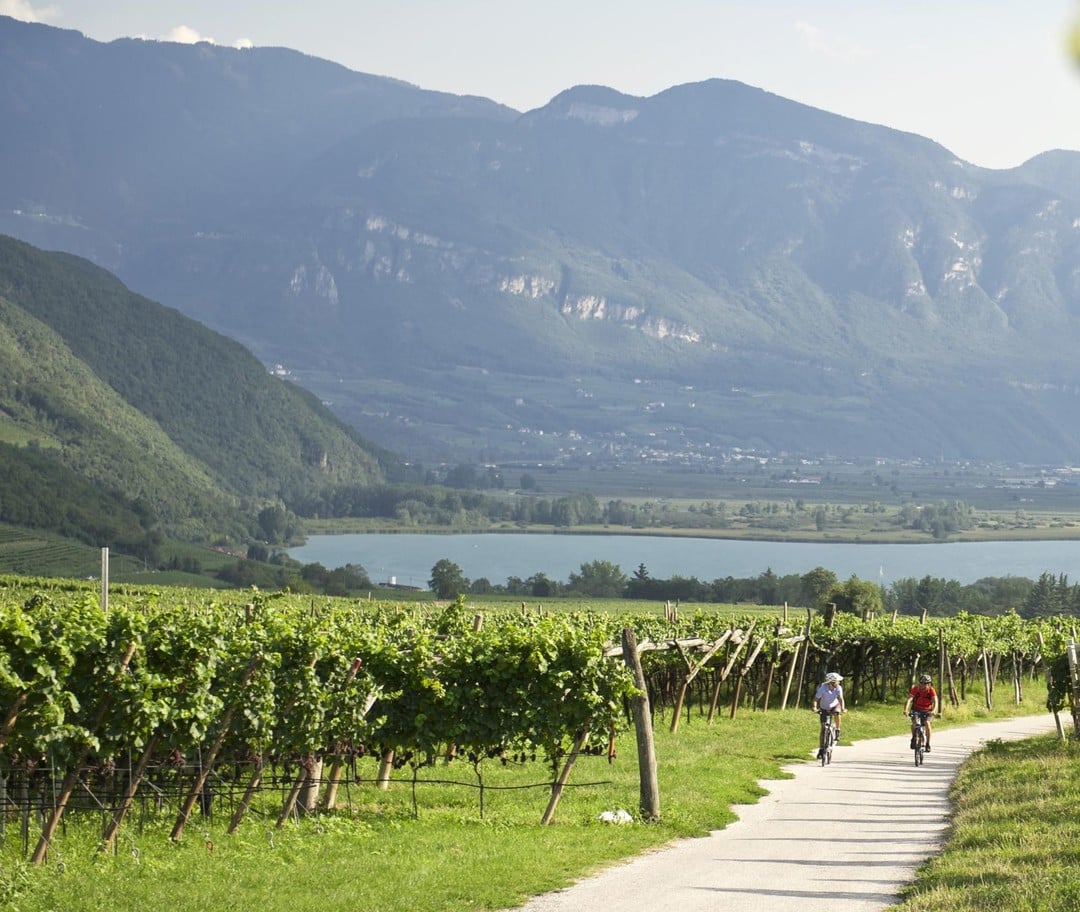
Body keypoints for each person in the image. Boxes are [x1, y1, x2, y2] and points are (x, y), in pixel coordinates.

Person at [812, 671, 846, 758]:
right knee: (823, 728)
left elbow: (841, 699)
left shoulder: (838, 688)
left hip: (835, 705)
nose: (839, 682)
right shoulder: (822, 688)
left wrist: (842, 708)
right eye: (837, 681)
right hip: (824, 708)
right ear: (832, 682)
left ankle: (837, 730)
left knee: (837, 713)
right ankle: (821, 749)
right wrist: (815, 707)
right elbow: (816, 699)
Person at [903, 673, 939, 751]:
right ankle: (914, 738)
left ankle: (928, 744)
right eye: (922, 683)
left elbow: (936, 701)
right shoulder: (916, 689)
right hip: (916, 709)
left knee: (927, 723)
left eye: (926, 683)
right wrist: (906, 710)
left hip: (927, 710)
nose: (923, 685)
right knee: (915, 723)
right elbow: (909, 700)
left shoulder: (931, 690)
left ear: (929, 684)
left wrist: (934, 710)